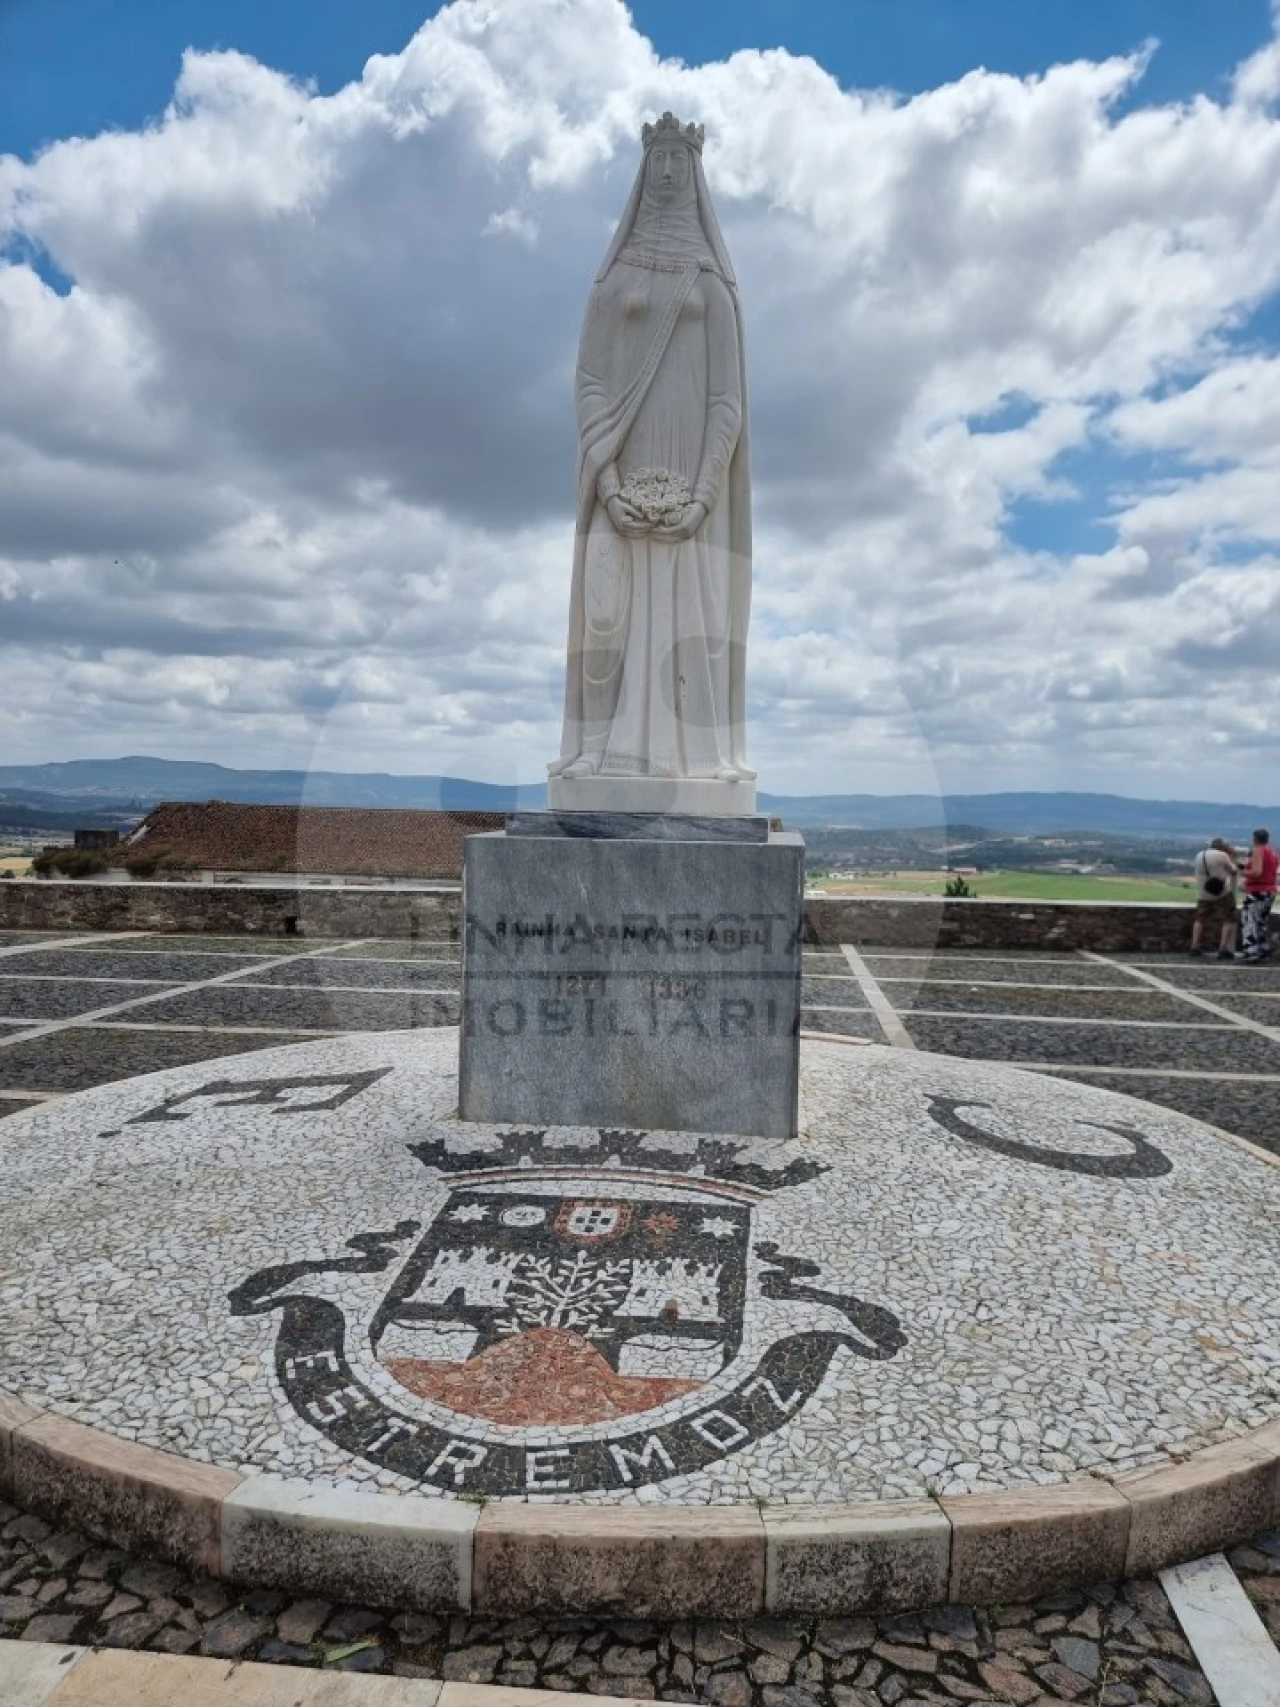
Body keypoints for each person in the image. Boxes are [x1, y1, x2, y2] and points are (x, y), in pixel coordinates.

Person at [550, 113, 753, 787]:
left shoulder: (711, 290)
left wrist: (703, 495)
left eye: (678, 159)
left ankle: (692, 761)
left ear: (694, 175)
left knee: (689, 633)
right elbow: (590, 381)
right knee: (604, 620)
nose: (667, 171)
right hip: (621, 486)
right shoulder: (612, 284)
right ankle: (595, 749)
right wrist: (606, 481)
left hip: (687, 499)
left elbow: (728, 400)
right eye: (658, 157)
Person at [1190, 837, 1239, 960]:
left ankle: (1194, 945)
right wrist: (1232, 856)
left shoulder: (1199, 855)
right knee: (1229, 918)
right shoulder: (1222, 855)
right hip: (1221, 893)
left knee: (1200, 918)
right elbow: (1233, 871)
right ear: (1222, 847)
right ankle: (1223, 948)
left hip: (1203, 893)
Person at [1238, 828, 1278, 963]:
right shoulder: (1273, 853)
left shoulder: (1258, 851)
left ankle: (1251, 951)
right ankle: (1263, 948)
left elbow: (1256, 872)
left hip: (1257, 890)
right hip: (1269, 890)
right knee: (1261, 921)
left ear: (1255, 838)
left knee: (1250, 920)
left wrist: (1242, 871)